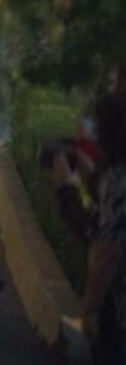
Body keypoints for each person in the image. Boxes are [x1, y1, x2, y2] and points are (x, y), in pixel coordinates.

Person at [53, 92, 126, 362]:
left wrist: (88, 313)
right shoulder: (112, 178)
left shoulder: (118, 178)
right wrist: (92, 178)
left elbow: (106, 249)